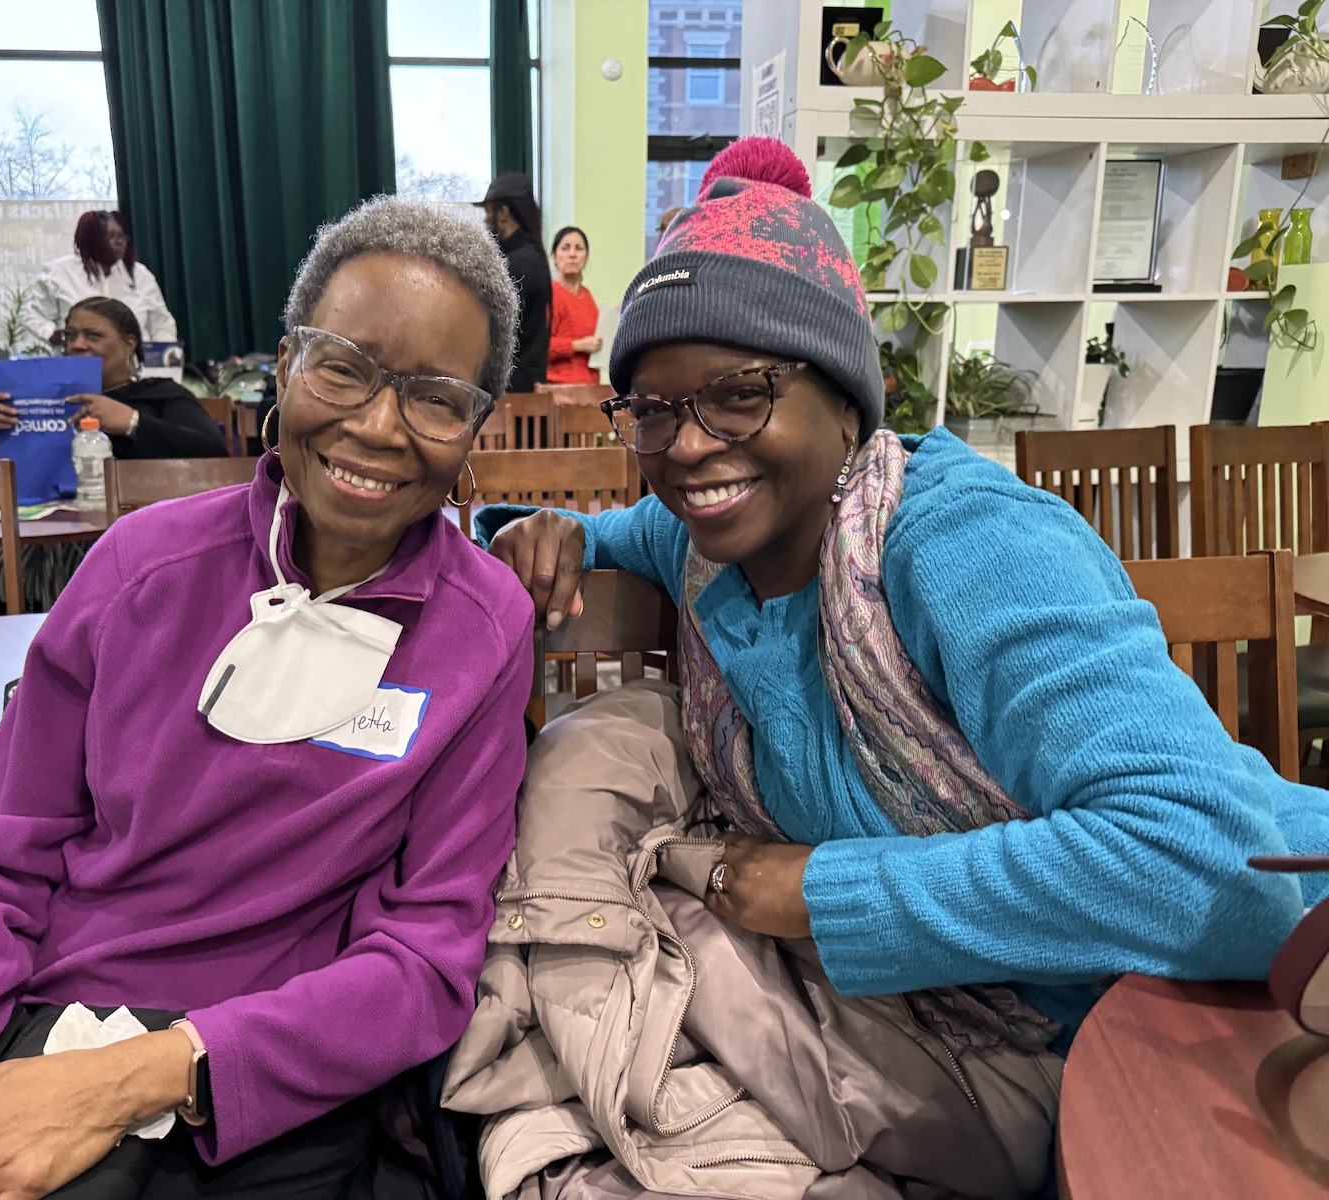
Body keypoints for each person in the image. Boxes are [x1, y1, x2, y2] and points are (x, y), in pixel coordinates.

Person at [477, 138, 1329, 1194]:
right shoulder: (705, 545)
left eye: (740, 393)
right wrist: (529, 530)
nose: (688, 446)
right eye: (652, 408)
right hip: (955, 1019)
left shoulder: (959, 544)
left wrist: (828, 895)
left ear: (846, 401)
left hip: (1197, 1023)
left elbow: (1210, 866)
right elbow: (587, 531)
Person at [0, 195, 533, 1200]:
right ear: (282, 368)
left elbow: (425, 959)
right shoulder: (139, 566)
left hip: (271, 1076)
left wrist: (132, 1078)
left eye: (437, 397)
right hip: (47, 1017)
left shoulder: (483, 626)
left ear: (475, 427)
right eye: (342, 366)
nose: (377, 427)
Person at [0, 297, 227, 463]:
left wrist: (131, 422)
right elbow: (8, 474)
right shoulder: (39, 399)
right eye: (70, 335)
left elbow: (212, 452)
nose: (77, 345)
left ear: (128, 345)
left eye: (92, 335)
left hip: (137, 526)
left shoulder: (160, 394)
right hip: (43, 528)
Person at [24, 210, 177, 349]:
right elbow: (33, 316)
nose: (120, 242)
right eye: (111, 236)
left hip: (134, 369)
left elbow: (162, 325)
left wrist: (163, 361)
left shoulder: (140, 275)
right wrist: (52, 334)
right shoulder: (59, 272)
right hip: (80, 364)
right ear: (91, 240)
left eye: (122, 236)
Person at [476, 172, 549, 393]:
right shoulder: (533, 255)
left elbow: (500, 332)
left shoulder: (517, 264)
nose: (486, 220)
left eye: (489, 212)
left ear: (504, 213)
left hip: (513, 393)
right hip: (527, 385)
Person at [546, 226, 601, 385]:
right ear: (554, 256)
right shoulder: (551, 293)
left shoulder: (587, 295)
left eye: (579, 249)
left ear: (586, 257)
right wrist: (578, 345)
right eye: (565, 248)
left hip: (591, 386)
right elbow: (542, 346)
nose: (572, 254)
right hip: (559, 386)